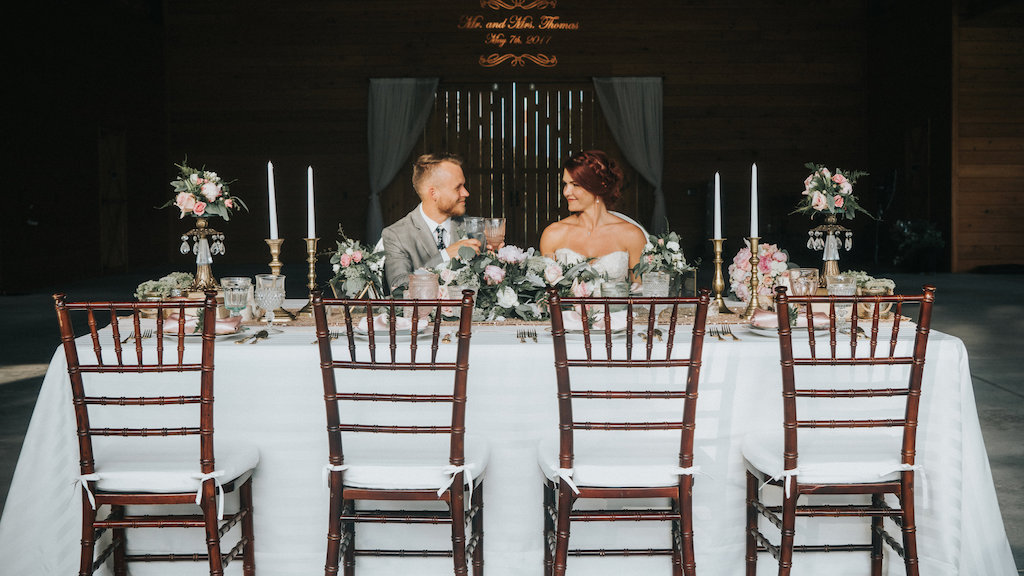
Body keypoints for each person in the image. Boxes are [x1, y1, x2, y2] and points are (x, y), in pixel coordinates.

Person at [538, 150, 647, 282]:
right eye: (565, 184)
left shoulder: (632, 235)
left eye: (575, 185)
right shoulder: (553, 234)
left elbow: (640, 294)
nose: (566, 192)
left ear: (599, 185)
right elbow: (548, 294)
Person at [382, 153, 483, 290]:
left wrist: (498, 264)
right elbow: (398, 286)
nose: (466, 193)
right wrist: (445, 256)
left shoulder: (473, 228)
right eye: (458, 187)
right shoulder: (396, 235)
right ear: (433, 193)